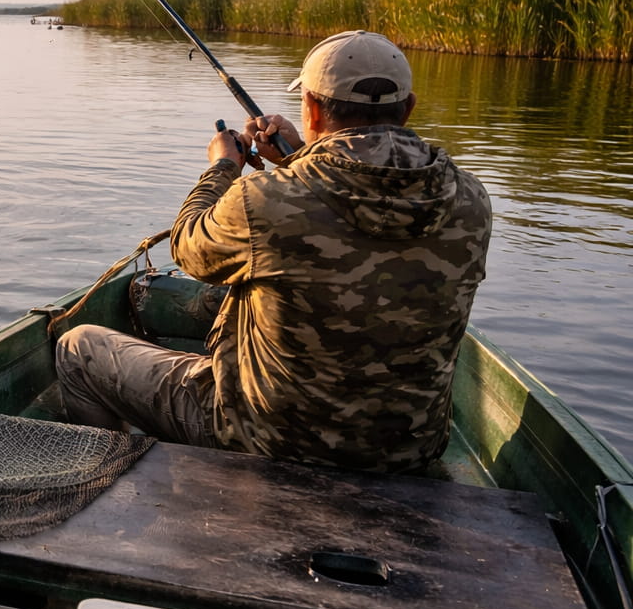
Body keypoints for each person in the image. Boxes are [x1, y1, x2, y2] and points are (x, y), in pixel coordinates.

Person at [56, 30, 491, 473]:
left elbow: (189, 249)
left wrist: (223, 166)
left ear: (313, 109)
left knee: (78, 348)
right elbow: (360, 216)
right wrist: (298, 157)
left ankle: (103, 489)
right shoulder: (471, 199)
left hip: (272, 440)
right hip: (408, 450)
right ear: (409, 107)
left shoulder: (265, 200)